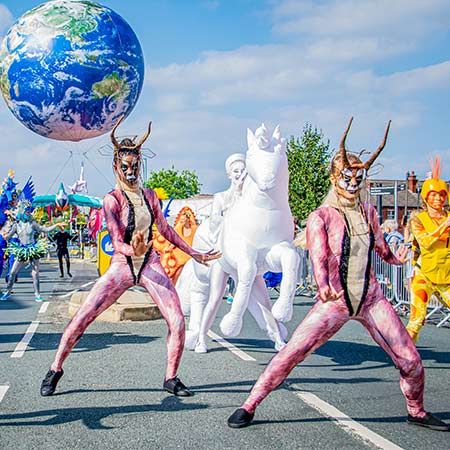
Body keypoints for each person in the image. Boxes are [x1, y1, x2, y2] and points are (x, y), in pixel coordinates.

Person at [227, 118, 449, 432]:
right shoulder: (322, 216)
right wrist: (324, 285)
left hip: (371, 299)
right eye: (347, 176)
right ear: (335, 176)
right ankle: (250, 403)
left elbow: (382, 250)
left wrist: (396, 258)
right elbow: (318, 257)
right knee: (293, 352)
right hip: (335, 300)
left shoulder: (370, 213)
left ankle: (416, 410)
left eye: (359, 177)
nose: (352, 183)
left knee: (411, 361)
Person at [40, 117, 220, 397]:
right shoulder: (111, 200)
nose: (131, 172)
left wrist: (194, 252)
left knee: (177, 320)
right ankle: (55, 369)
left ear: (140, 165)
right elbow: (114, 240)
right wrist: (131, 250)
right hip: (123, 265)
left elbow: (165, 230)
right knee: (83, 316)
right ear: (116, 167)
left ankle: (171, 377)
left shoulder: (150, 197)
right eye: (125, 167)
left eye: (135, 166)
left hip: (149, 263)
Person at [405, 157, 450, 343]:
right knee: (417, 319)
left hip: (446, 275)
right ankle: (405, 354)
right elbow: (425, 242)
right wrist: (444, 226)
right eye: (433, 194)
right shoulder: (418, 219)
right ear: (425, 196)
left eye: (441, 194)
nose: (438, 198)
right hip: (424, 274)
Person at [1, 179, 65, 302]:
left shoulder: (33, 224)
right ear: (22, 211)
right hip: (22, 250)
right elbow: (8, 237)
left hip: (33, 249)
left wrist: (57, 225)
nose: (29, 213)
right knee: (13, 272)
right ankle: (7, 292)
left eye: (29, 211)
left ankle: (37, 294)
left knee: (35, 273)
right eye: (26, 210)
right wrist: (5, 236)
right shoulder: (16, 225)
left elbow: (44, 229)